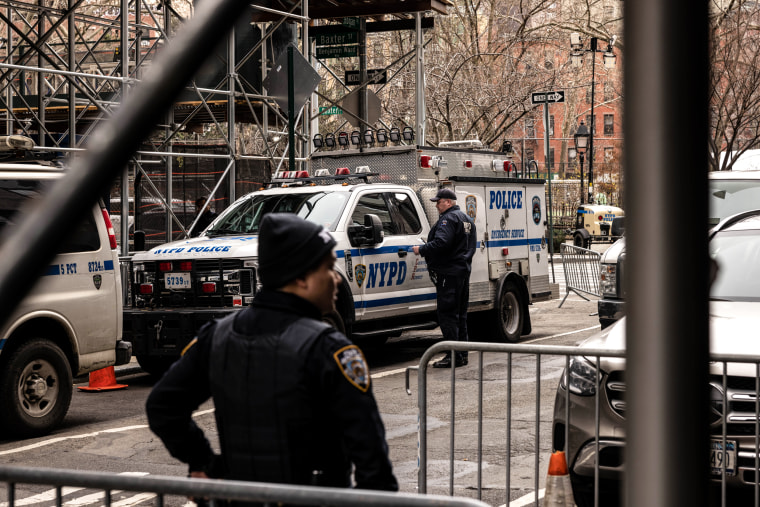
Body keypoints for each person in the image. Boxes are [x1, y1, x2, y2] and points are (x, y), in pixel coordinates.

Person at [146, 213, 398, 502]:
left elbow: (163, 406)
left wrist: (205, 464)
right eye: (328, 268)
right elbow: (372, 461)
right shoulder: (328, 349)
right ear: (302, 277)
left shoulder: (217, 336)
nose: (337, 279)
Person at [413, 188, 476, 368]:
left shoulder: (448, 219)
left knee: (447, 315)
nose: (437, 206)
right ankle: (462, 354)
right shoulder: (467, 219)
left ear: (448, 202)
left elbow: (442, 242)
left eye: (438, 202)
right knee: (460, 316)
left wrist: (421, 250)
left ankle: (452, 356)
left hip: (449, 273)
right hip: (462, 272)